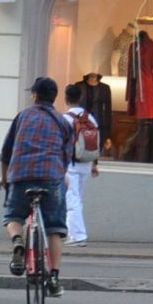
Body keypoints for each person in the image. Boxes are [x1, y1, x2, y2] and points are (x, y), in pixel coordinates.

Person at [0, 77, 74, 298]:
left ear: (35, 96)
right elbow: (67, 156)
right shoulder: (62, 121)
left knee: (13, 216)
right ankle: (53, 277)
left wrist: (5, 179)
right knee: (55, 229)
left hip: (21, 175)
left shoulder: (22, 116)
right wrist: (59, 176)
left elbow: (6, 152)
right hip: (51, 177)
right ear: (54, 97)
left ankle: (18, 241)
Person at [63, 82, 99, 247]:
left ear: (66, 98)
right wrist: (94, 164)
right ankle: (73, 233)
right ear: (80, 98)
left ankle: (78, 236)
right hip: (86, 162)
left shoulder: (65, 119)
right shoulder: (90, 117)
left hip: (71, 164)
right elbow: (95, 141)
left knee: (72, 200)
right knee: (78, 199)